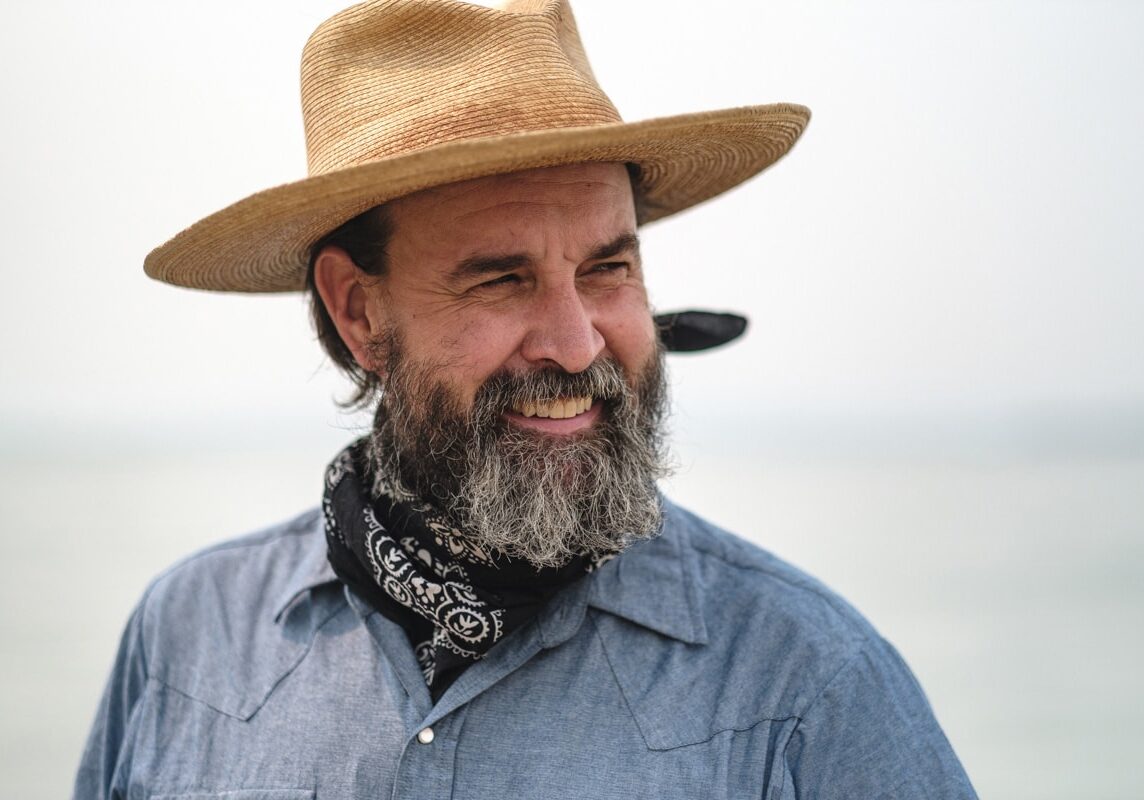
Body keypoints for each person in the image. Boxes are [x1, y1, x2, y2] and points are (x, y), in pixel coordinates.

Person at [75, 1, 977, 797]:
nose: (578, 342)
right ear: (359, 312)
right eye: (501, 280)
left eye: (608, 269)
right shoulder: (189, 638)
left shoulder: (805, 681)